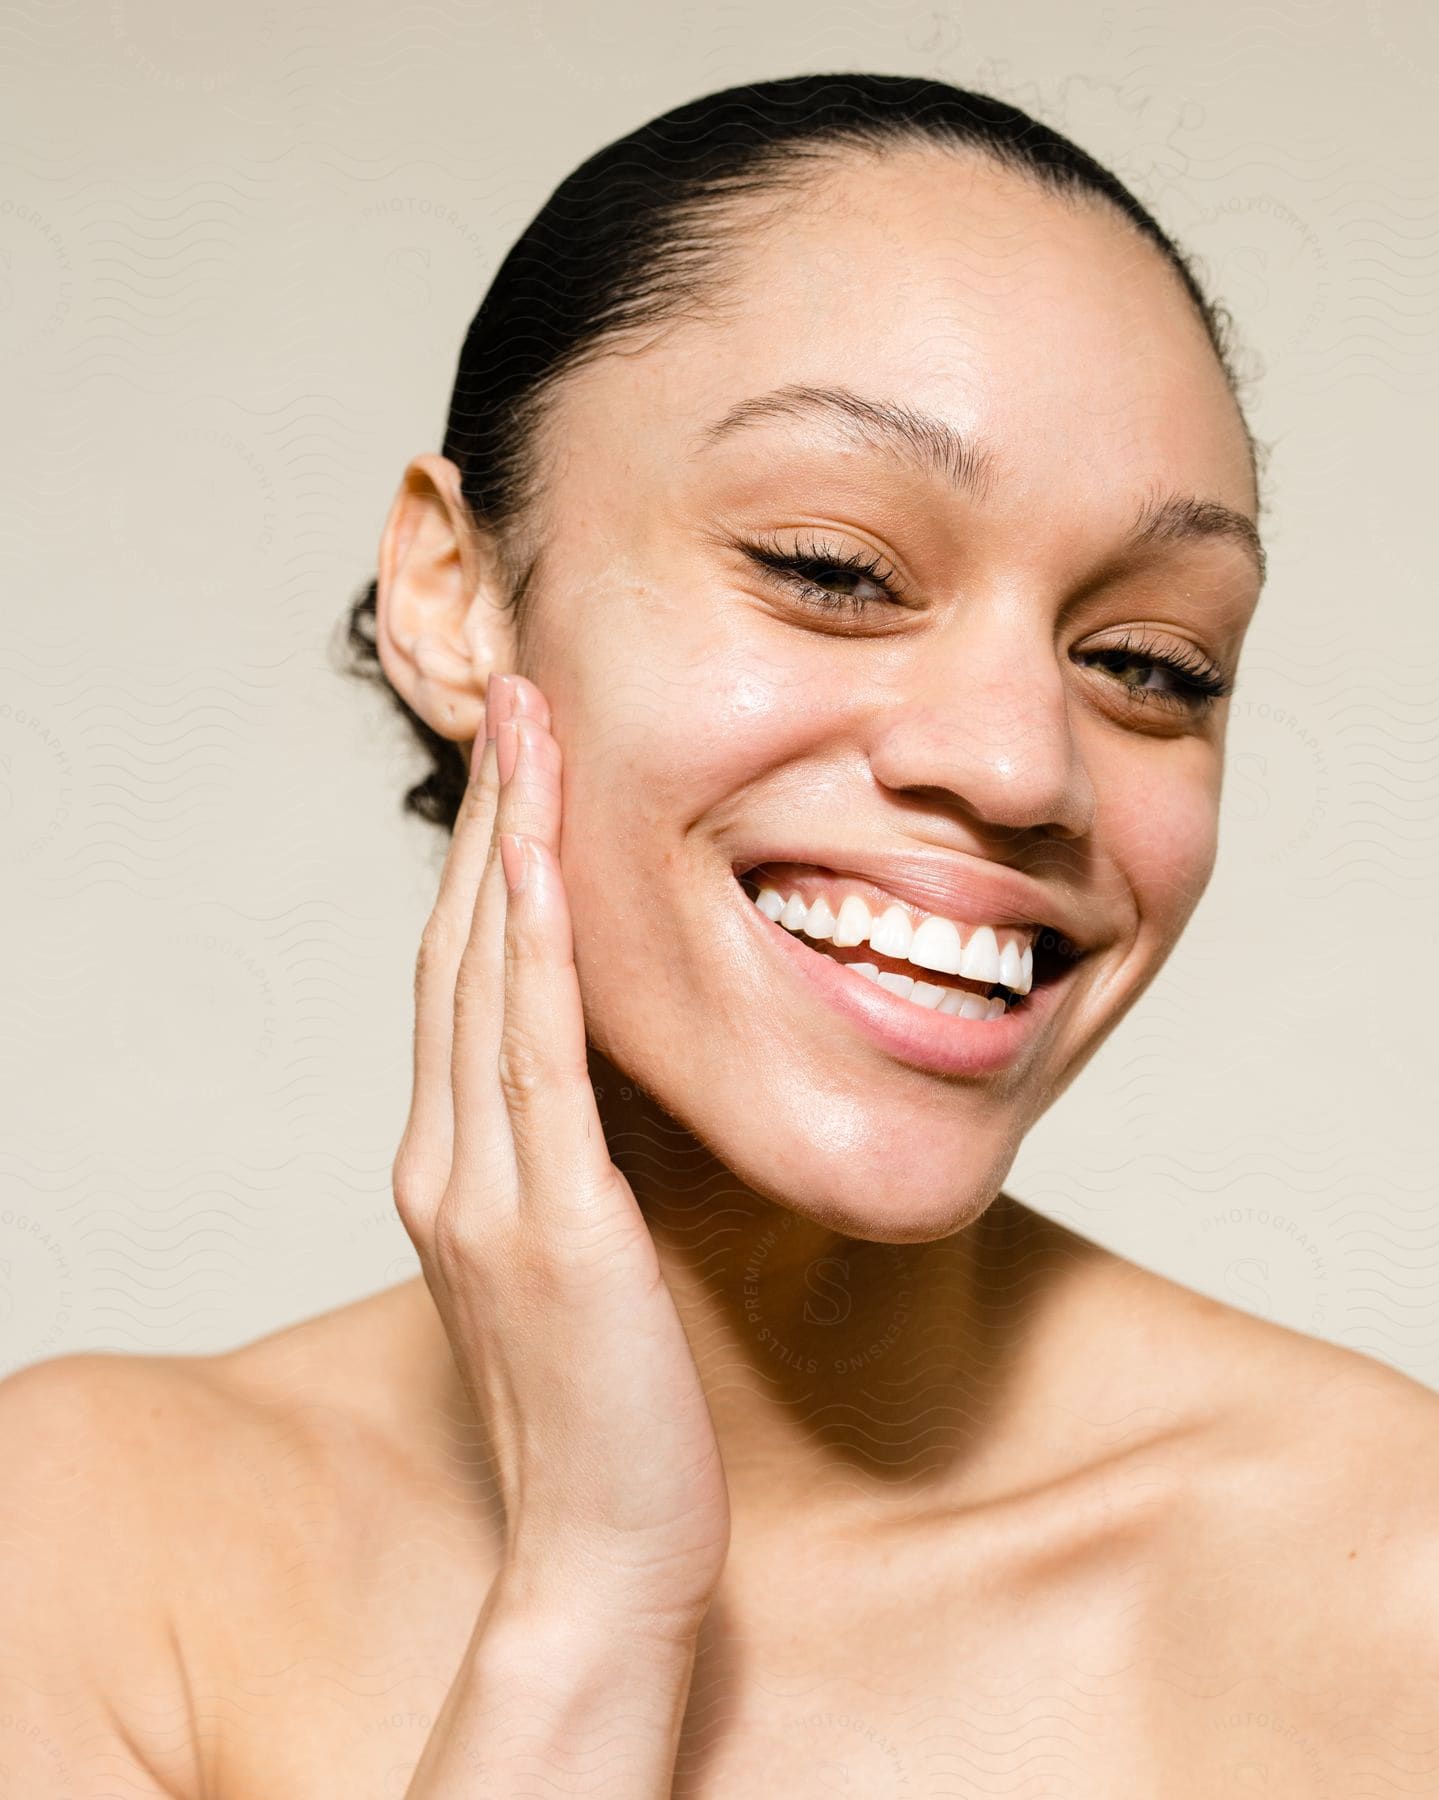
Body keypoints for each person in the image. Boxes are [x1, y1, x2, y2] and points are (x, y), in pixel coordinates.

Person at [3, 71, 1436, 1800]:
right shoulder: (83, 1557)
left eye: (1152, 664)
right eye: (835, 568)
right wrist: (596, 1598)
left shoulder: (1389, 1581)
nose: (1015, 760)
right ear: (453, 597)